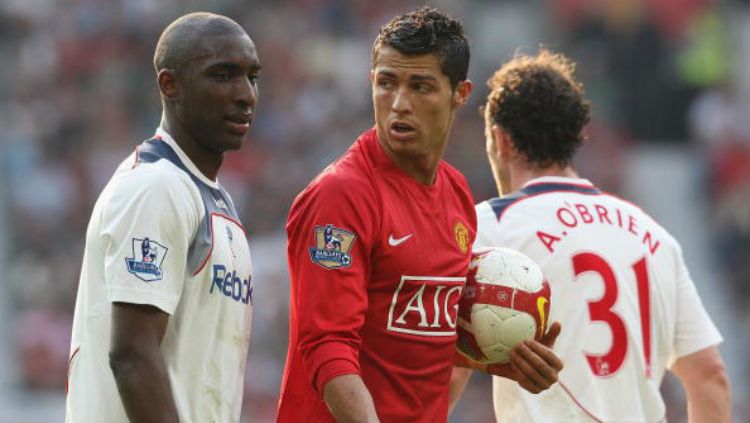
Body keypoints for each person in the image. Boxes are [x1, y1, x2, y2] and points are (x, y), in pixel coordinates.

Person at [276, 8, 562, 423]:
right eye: (386, 83)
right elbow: (327, 346)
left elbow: (423, 340)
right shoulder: (341, 196)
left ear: (460, 93)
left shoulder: (456, 192)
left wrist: (500, 363)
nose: (399, 104)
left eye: (420, 86)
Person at [453, 49, 731, 422]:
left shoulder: (488, 225)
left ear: (500, 141)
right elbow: (709, 376)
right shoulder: (655, 236)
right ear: (577, 138)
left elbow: (447, 360)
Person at [65, 12, 260, 423]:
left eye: (252, 77)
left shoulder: (213, 198)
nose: (246, 94)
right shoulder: (155, 187)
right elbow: (132, 355)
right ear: (169, 85)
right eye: (223, 75)